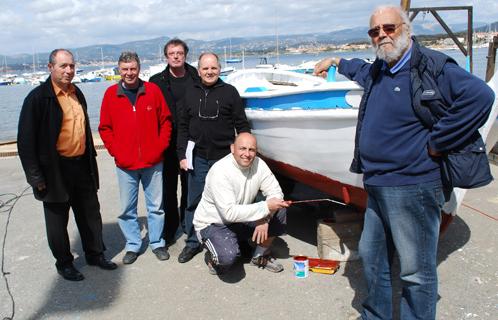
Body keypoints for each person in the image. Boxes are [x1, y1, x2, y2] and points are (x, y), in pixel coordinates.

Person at [314, 5, 494, 320]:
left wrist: (439, 141)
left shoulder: (432, 66)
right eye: (374, 31)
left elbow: (480, 96)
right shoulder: (379, 69)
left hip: (414, 184)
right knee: (372, 257)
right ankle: (377, 315)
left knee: (415, 270)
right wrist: (335, 61)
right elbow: (358, 68)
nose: (381, 35)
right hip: (378, 185)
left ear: (406, 30)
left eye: (389, 28)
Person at [17, 49, 117, 282]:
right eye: (63, 66)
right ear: (50, 67)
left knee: (91, 214)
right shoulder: (37, 98)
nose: (68, 70)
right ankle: (64, 263)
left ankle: (95, 254)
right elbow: (25, 141)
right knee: (57, 222)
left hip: (81, 166)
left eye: (71, 66)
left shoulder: (76, 92)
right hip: (53, 170)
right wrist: (35, 177)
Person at [176, 52, 251, 263]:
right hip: (197, 156)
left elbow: (242, 125)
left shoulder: (230, 92)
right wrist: (182, 155)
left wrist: (245, 150)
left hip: (225, 158)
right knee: (194, 200)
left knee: (232, 201)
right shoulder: (189, 93)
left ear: (219, 69)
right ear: (198, 71)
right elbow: (182, 127)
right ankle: (192, 242)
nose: (209, 72)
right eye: (205, 68)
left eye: (213, 68)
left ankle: (237, 240)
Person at [99, 51, 172, 264]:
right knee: (126, 209)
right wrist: (117, 151)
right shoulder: (111, 94)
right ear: (119, 70)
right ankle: (133, 244)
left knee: (156, 207)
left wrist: (160, 148)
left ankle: (157, 242)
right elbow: (105, 128)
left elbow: (166, 121)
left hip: (153, 162)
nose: (129, 73)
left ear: (139, 69)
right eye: (125, 69)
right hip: (125, 164)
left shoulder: (152, 91)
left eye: (133, 68)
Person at [194, 133, 289, 275]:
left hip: (240, 218)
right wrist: (265, 207)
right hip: (213, 223)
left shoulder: (259, 164)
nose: (247, 154)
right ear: (232, 148)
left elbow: (277, 194)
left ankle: (258, 256)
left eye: (251, 150)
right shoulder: (220, 171)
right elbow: (229, 213)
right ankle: (214, 256)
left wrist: (265, 218)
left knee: (279, 209)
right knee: (227, 258)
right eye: (242, 148)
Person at [149, 38, 200, 244]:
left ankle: (189, 225)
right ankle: (169, 229)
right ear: (166, 57)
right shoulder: (156, 81)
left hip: (191, 141)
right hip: (167, 143)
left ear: (185, 55)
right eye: (172, 53)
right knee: (168, 188)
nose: (176, 56)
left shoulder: (196, 77)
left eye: (180, 53)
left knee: (190, 186)